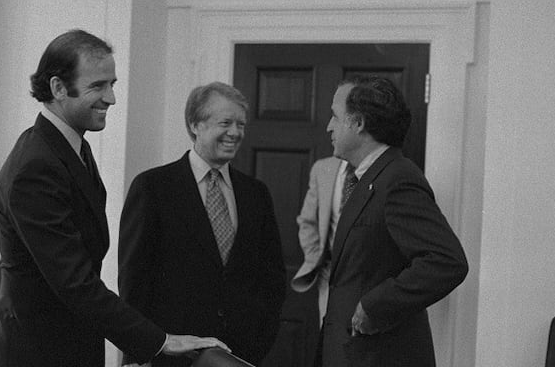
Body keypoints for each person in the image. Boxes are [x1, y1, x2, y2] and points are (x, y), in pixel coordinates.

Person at [0, 30, 228, 367]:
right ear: (58, 88)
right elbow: (74, 282)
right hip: (38, 352)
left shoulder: (71, 147)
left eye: (111, 84)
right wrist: (160, 341)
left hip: (70, 344)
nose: (111, 98)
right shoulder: (36, 165)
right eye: (98, 86)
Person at [118, 82, 286, 367]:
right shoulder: (153, 187)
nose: (235, 132)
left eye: (241, 124)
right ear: (195, 124)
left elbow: (272, 279)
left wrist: (258, 343)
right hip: (169, 356)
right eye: (226, 123)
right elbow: (134, 282)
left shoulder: (256, 193)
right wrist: (138, 352)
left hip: (239, 356)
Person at [318, 76, 468, 367]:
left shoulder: (397, 178)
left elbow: (446, 261)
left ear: (358, 123)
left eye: (335, 117)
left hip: (379, 355)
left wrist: (375, 306)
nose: (329, 126)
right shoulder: (369, 178)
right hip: (353, 352)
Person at [290, 155, 343, 323]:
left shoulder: (384, 169)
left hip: (370, 282)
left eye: (338, 125)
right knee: (330, 342)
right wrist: (316, 258)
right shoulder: (323, 168)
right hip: (330, 279)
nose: (329, 128)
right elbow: (307, 221)